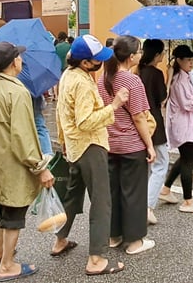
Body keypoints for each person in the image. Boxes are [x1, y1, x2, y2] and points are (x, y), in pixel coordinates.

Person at [52, 34, 129, 276]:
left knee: (73, 198)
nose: (101, 63)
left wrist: (63, 141)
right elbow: (85, 121)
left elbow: (60, 112)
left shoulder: (67, 76)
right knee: (101, 202)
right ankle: (96, 259)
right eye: (97, 60)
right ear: (86, 63)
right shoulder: (84, 83)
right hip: (90, 146)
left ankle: (60, 240)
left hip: (74, 147)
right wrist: (114, 105)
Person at [0, 42, 54, 281]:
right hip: (13, 165)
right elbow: (23, 137)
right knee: (14, 215)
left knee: (5, 210)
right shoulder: (17, 92)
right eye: (19, 57)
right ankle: (7, 264)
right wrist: (41, 169)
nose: (22, 60)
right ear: (14, 63)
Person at [97, 35, 156, 255]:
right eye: (139, 52)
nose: (140, 55)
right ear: (131, 57)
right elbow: (139, 117)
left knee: (113, 191)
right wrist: (149, 146)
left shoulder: (102, 78)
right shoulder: (132, 81)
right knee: (134, 193)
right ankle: (134, 242)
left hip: (109, 144)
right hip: (132, 145)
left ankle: (114, 236)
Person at [159, 45, 193, 212]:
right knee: (188, 162)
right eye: (188, 60)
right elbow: (188, 104)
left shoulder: (184, 75)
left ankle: (166, 189)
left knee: (184, 158)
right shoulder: (178, 80)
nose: (191, 63)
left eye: (192, 59)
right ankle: (188, 201)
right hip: (184, 126)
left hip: (186, 124)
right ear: (179, 60)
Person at [138, 39, 168, 225]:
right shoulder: (156, 74)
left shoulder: (138, 72)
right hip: (154, 122)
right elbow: (162, 98)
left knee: (148, 166)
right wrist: (170, 77)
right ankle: (147, 207)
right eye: (162, 53)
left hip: (141, 122)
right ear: (157, 55)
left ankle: (142, 203)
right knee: (161, 164)